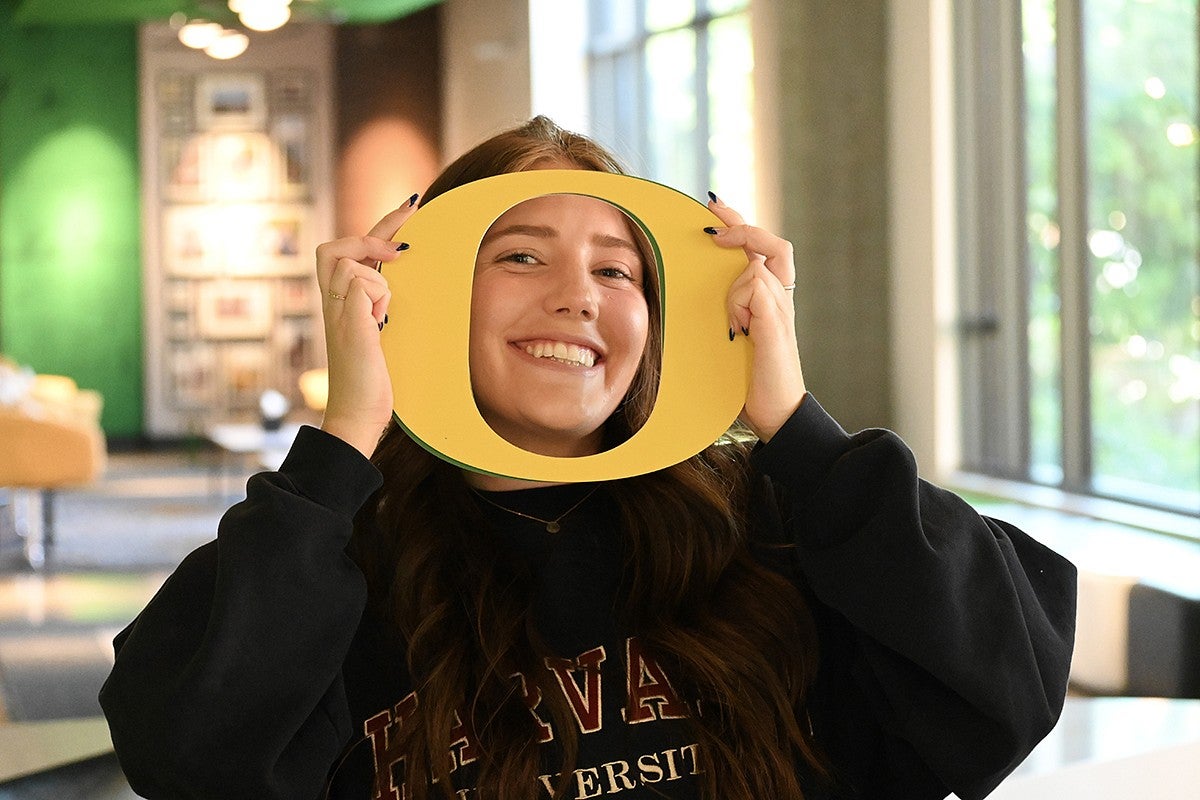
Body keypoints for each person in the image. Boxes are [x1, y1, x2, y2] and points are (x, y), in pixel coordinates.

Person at [99, 116, 1077, 800]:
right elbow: (190, 751)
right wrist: (344, 441)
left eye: (619, 269)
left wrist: (795, 424)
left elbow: (1007, 682)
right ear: (425, 293)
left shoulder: (778, 518)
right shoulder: (336, 563)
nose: (580, 296)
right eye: (520, 255)